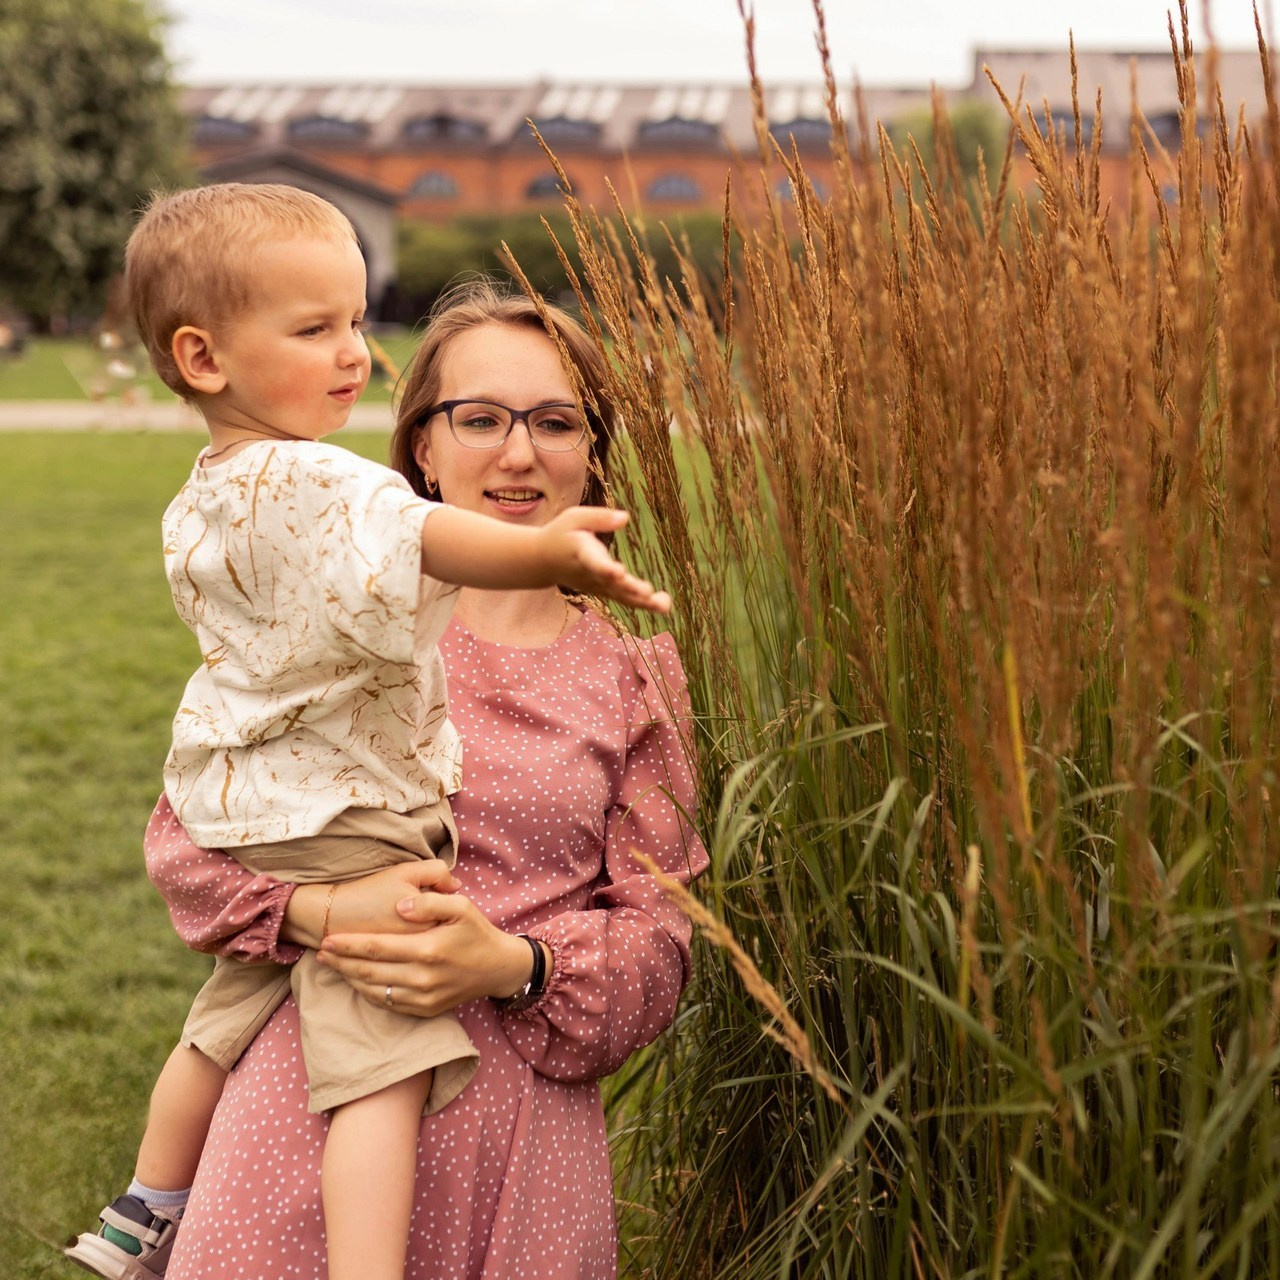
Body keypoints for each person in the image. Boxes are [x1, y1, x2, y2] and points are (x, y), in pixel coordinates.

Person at [66, 190, 672, 1280]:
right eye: (479, 416)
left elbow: (657, 946)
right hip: (303, 1104)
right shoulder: (325, 623)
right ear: (421, 448)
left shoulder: (636, 677)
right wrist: (317, 907)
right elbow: (191, 842)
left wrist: (511, 962)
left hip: (518, 1143)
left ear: (593, 447)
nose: (519, 452)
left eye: (556, 418)